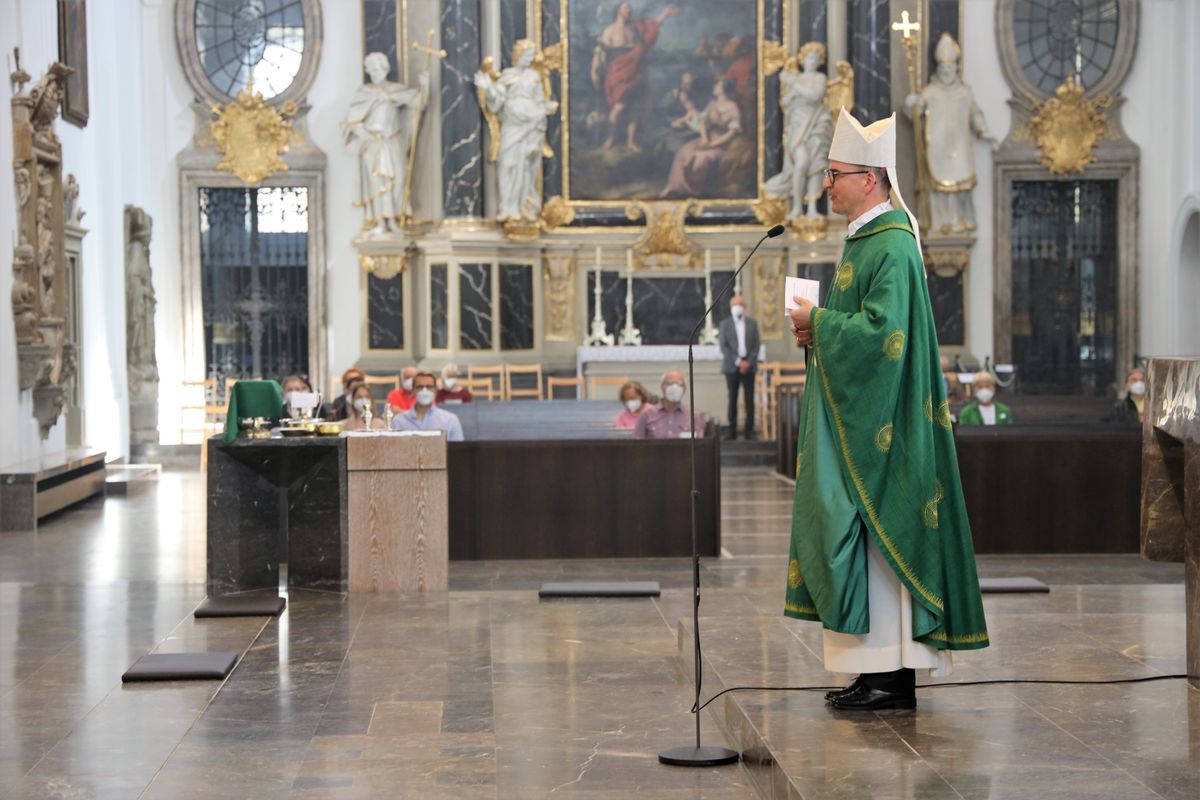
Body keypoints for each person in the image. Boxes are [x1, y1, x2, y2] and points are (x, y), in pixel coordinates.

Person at [784, 108, 989, 711]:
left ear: (870, 179)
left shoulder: (893, 243)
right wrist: (816, 332)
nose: (826, 183)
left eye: (835, 173)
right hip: (862, 416)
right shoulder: (868, 237)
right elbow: (866, 329)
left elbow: (883, 336)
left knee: (879, 538)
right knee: (856, 537)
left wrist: (820, 323)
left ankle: (891, 678)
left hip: (887, 427)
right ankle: (870, 670)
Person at [903, 33, 996, 235]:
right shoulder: (929, 92)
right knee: (937, 186)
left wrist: (984, 131)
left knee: (957, 185)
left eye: (950, 67)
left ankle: (955, 220)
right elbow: (916, 114)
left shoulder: (964, 93)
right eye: (943, 68)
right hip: (936, 147)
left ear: (956, 68)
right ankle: (939, 221)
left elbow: (975, 113)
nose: (947, 71)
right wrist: (912, 104)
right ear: (938, 68)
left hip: (959, 147)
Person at [341, 53, 429, 236]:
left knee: (398, 179)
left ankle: (396, 218)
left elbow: (418, 102)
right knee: (378, 183)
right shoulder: (364, 93)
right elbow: (351, 121)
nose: (375, 72)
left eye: (378, 68)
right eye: (371, 69)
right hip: (373, 143)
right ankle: (381, 221)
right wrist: (361, 131)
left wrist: (425, 85)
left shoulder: (396, 90)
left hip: (392, 140)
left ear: (385, 69)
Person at [473, 40, 559, 222]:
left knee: (526, 165)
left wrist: (546, 107)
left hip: (531, 124)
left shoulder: (534, 77)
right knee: (507, 163)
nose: (529, 59)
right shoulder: (507, 75)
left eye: (531, 56)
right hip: (512, 125)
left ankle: (524, 205)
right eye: (526, 55)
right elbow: (497, 101)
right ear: (518, 55)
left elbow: (540, 101)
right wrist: (487, 86)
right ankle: (507, 206)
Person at [591, 3, 680, 152]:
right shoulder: (609, 31)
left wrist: (665, 14)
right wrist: (594, 70)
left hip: (636, 73)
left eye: (630, 8)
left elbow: (650, 29)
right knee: (619, 107)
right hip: (618, 72)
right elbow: (599, 52)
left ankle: (630, 141)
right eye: (626, 8)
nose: (629, 10)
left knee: (634, 107)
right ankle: (610, 139)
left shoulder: (635, 28)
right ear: (618, 11)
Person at [762, 42, 833, 219]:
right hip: (797, 126)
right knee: (801, 163)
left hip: (816, 124)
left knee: (815, 166)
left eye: (816, 59)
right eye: (809, 58)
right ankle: (796, 207)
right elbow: (785, 103)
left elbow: (815, 96)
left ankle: (812, 208)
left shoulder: (819, 78)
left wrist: (794, 83)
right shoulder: (797, 79)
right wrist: (792, 91)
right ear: (802, 59)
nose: (812, 61)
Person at [660, 79, 742, 198]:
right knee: (684, 151)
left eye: (717, 85)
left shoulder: (733, 107)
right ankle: (672, 186)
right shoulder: (712, 104)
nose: (714, 87)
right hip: (707, 137)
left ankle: (693, 192)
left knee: (700, 159)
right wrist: (704, 138)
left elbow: (731, 133)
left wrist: (711, 145)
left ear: (724, 88)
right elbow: (703, 121)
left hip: (721, 142)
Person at [718, 294, 761, 440]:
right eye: (734, 305)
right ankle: (732, 431)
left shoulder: (752, 323)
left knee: (750, 399)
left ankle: (750, 431)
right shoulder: (725, 324)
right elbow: (724, 346)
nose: (737, 307)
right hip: (732, 366)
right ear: (730, 307)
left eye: (740, 304)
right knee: (732, 398)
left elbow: (756, 345)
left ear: (745, 306)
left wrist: (748, 361)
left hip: (749, 365)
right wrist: (737, 361)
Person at [391, 371, 465, 441]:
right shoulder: (398, 421)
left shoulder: (450, 420)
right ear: (413, 390)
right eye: (420, 387)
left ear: (436, 390)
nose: (424, 390)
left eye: (429, 387)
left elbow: (458, 451)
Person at [633, 370, 706, 439]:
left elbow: (699, 446)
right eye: (670, 383)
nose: (674, 388)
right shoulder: (646, 415)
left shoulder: (694, 416)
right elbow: (637, 446)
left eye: (679, 384)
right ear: (662, 387)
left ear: (685, 389)